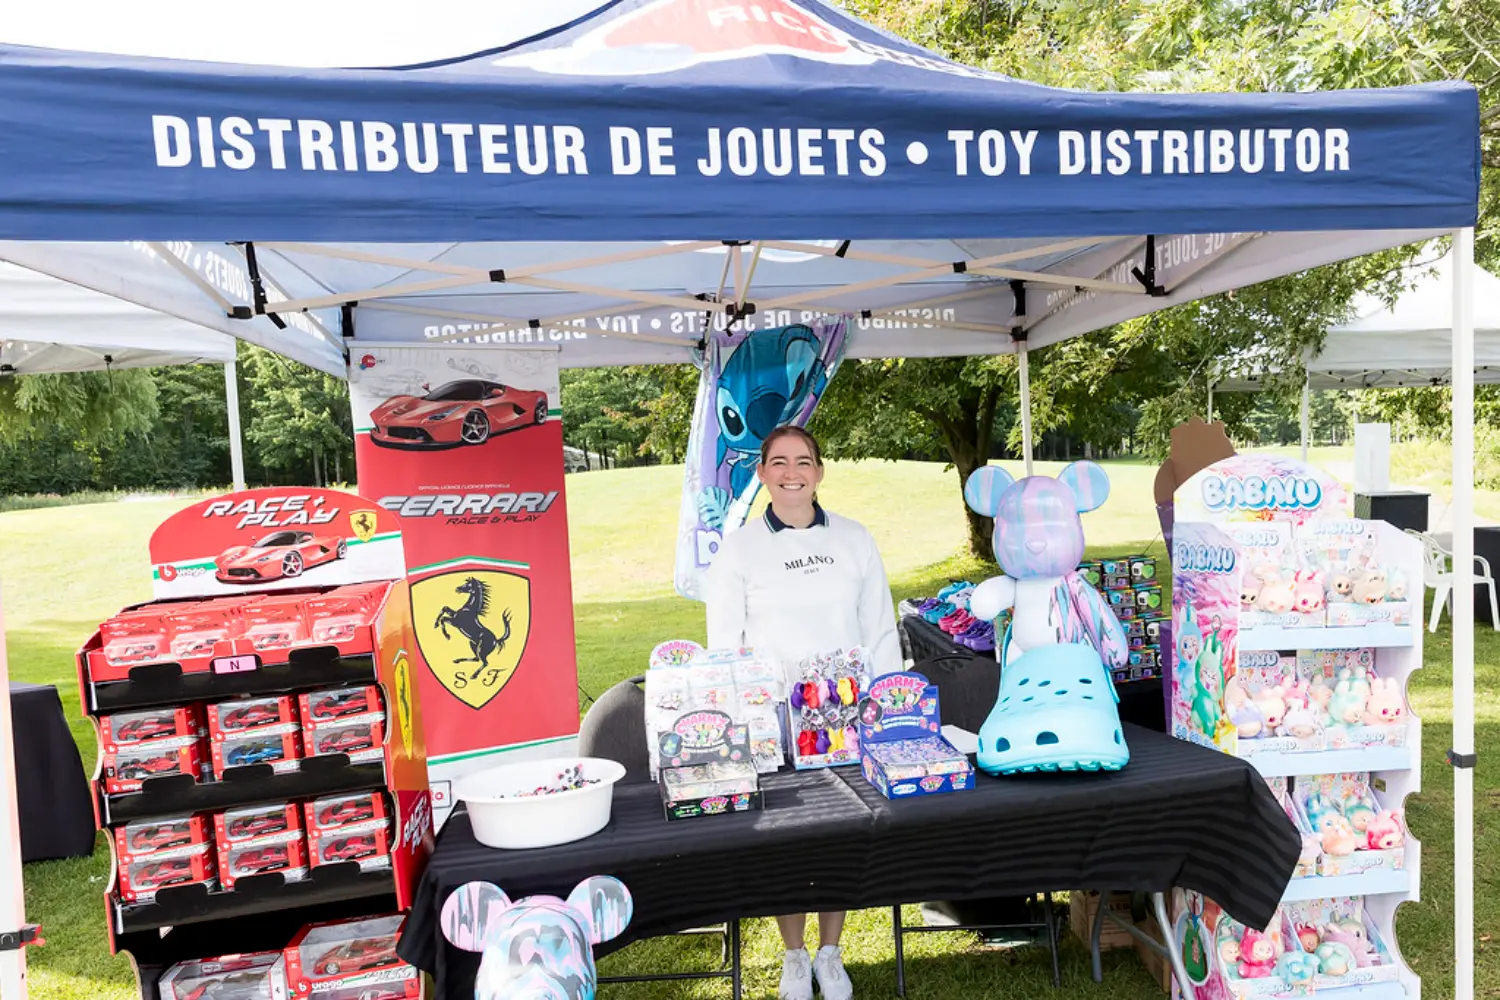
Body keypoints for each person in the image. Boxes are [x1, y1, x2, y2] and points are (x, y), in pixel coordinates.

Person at [705, 425, 903, 1000]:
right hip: (772, 723)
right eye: (779, 463)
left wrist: (885, 706)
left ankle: (830, 952)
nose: (793, 472)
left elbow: (879, 626)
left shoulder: (854, 538)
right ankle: (793, 955)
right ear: (762, 473)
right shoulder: (740, 547)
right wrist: (742, 713)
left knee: (839, 837)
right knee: (784, 840)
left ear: (819, 472)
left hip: (844, 719)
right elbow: (725, 643)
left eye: (804, 462)